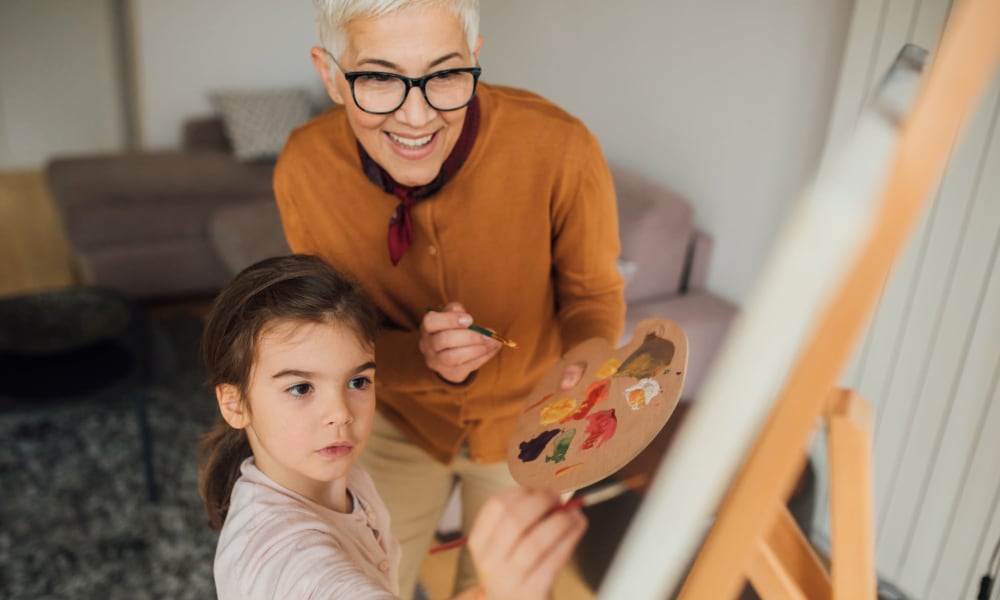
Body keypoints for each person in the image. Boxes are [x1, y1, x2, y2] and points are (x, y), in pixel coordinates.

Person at [274, 1, 625, 597]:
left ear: (475, 60)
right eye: (379, 78)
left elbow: (593, 295)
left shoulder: (562, 147)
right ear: (331, 75)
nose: (417, 116)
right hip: (392, 422)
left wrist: (584, 368)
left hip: (536, 424)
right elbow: (329, 339)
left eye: (444, 75)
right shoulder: (302, 169)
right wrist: (420, 359)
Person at [198, 254, 586, 599]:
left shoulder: (345, 479)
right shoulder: (288, 560)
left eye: (357, 382)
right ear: (234, 404)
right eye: (300, 388)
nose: (341, 413)